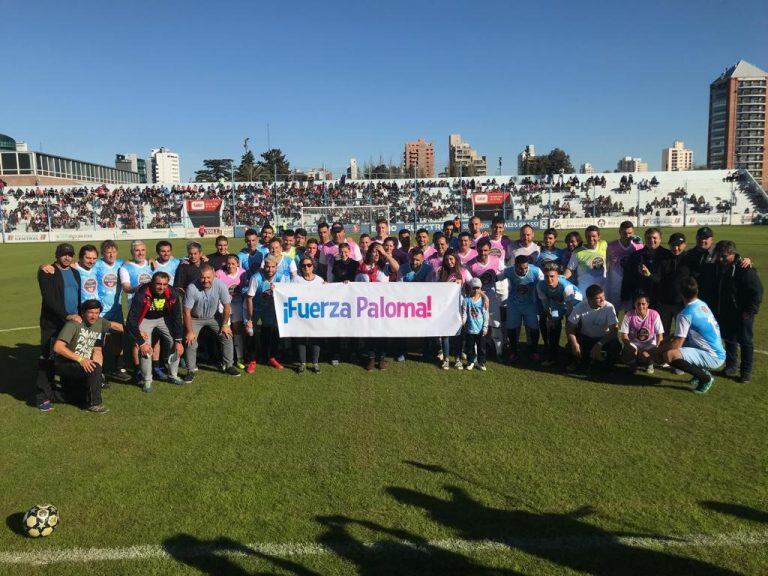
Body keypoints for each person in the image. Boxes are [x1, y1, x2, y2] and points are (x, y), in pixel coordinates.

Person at [700, 241, 763, 383]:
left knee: (745, 341)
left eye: (725, 256)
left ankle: (746, 372)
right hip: (724, 311)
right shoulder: (716, 267)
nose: (721, 259)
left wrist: (750, 311)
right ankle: (731, 366)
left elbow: (757, 291)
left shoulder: (744, 268)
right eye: (719, 256)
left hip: (743, 313)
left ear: (733, 254)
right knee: (729, 340)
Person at [658, 278, 725, 394]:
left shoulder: (685, 314)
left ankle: (705, 378)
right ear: (697, 291)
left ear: (680, 294)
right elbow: (683, 334)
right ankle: (699, 374)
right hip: (718, 352)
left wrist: (657, 350)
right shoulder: (702, 304)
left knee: (669, 355)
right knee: (678, 347)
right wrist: (666, 339)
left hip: (714, 357)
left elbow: (677, 343)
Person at [36, 243, 82, 412]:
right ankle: (43, 396)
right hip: (53, 323)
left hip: (72, 323)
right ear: (57, 255)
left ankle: (66, 392)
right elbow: (49, 300)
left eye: (70, 254)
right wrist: (66, 315)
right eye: (63, 254)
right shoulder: (47, 272)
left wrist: (78, 316)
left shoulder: (75, 273)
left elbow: (78, 297)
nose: (67, 257)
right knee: (47, 358)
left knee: (68, 357)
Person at [125, 271, 185, 391]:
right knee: (146, 348)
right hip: (145, 319)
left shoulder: (172, 293)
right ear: (152, 282)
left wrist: (179, 340)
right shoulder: (142, 293)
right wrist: (141, 342)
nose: (161, 287)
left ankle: (173, 374)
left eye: (164, 284)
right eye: (158, 284)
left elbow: (177, 317)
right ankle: (147, 379)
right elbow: (131, 320)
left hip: (163, 318)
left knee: (175, 343)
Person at [51, 299, 111, 413]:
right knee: (95, 367)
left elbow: (115, 326)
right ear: (83, 313)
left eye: (97, 313)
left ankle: (50, 395)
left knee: (81, 398)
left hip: (79, 366)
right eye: (90, 313)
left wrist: (138, 336)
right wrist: (81, 359)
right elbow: (58, 347)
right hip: (65, 364)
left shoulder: (99, 322)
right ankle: (95, 404)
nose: (94, 316)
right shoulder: (73, 324)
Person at [183, 265, 240, 380]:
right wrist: (189, 331)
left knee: (226, 335)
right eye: (203, 278)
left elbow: (227, 307)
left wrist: (225, 325)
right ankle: (190, 370)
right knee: (191, 341)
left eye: (208, 277)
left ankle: (228, 365)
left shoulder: (220, 285)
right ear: (199, 277)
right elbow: (186, 312)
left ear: (214, 275)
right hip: (195, 318)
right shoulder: (192, 287)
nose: (206, 280)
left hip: (213, 317)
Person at [566, 284, 620, 375]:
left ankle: (608, 367)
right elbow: (570, 328)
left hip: (603, 338)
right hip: (586, 337)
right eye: (598, 298)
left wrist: (599, 344)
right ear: (589, 299)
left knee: (616, 345)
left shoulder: (609, 307)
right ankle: (578, 361)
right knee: (569, 346)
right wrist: (574, 344)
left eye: (603, 296)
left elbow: (614, 331)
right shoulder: (580, 306)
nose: (603, 300)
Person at [536, 263, 582, 366]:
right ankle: (552, 356)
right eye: (546, 276)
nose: (549, 279)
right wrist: (550, 319)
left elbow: (570, 311)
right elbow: (545, 305)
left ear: (558, 276)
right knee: (553, 326)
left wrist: (570, 325)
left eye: (552, 276)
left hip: (574, 302)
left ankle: (574, 358)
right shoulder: (540, 285)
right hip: (558, 302)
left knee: (573, 329)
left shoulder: (566, 287)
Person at [501, 255, 544, 363]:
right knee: (511, 327)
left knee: (533, 326)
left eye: (526, 268)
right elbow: (495, 277)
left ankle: (534, 351)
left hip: (530, 304)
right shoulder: (508, 271)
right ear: (515, 266)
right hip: (513, 304)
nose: (524, 271)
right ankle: (513, 352)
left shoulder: (535, 271)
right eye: (521, 268)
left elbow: (544, 283)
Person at [467, 238, 505, 357]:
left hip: (492, 297)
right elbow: (468, 282)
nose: (483, 253)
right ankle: (475, 354)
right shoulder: (471, 264)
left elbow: (503, 273)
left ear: (489, 250)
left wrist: (498, 279)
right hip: (476, 300)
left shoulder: (496, 260)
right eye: (480, 250)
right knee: (476, 326)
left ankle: (499, 352)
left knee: (495, 325)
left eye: (485, 250)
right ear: (476, 249)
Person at [245, 255, 284, 369]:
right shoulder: (256, 278)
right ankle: (252, 360)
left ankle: (271, 357)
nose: (270, 270)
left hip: (271, 310)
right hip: (256, 309)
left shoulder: (281, 277)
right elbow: (249, 298)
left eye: (273, 267)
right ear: (264, 266)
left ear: (277, 267)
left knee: (271, 332)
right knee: (252, 332)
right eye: (268, 267)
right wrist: (250, 318)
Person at [355, 244, 390, 371]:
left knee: (382, 333)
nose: (376, 254)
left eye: (378, 252)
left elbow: (396, 268)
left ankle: (381, 358)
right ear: (369, 253)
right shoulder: (361, 267)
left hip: (383, 305)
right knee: (370, 333)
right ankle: (371, 358)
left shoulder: (384, 267)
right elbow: (356, 285)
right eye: (374, 252)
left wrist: (385, 254)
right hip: (367, 306)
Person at [437, 250, 472, 369]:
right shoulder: (441, 272)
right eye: (446, 260)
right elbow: (435, 288)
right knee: (445, 334)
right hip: (446, 307)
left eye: (451, 259)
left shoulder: (463, 271)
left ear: (456, 259)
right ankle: (446, 359)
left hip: (459, 307)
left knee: (458, 334)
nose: (449, 262)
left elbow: (474, 284)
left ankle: (457, 359)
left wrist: (482, 296)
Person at [621, 228, 670, 310]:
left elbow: (668, 278)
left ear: (660, 239)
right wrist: (625, 296)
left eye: (654, 238)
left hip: (661, 299)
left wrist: (650, 275)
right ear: (645, 239)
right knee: (639, 322)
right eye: (648, 238)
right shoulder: (636, 256)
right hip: (640, 298)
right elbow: (628, 277)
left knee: (659, 322)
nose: (651, 240)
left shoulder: (667, 255)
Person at [215, 255, 249, 371]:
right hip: (224, 305)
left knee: (238, 330)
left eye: (233, 264)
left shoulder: (243, 273)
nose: (230, 266)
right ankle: (226, 359)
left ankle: (239, 358)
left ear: (238, 264)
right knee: (225, 331)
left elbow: (245, 287)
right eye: (228, 263)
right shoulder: (219, 273)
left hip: (237, 304)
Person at [293, 256, 325, 373]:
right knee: (301, 337)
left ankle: (315, 362)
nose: (306, 267)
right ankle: (302, 363)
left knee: (315, 337)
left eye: (309, 265)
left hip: (315, 315)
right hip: (300, 314)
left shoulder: (320, 280)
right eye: (303, 265)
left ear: (313, 266)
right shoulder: (296, 280)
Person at [619, 294, 665, 374]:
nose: (640, 306)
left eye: (643, 304)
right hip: (634, 343)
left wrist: (658, 347)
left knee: (646, 355)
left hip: (649, 344)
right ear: (634, 304)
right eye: (638, 304)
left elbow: (659, 334)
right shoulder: (629, 315)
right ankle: (633, 363)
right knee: (628, 352)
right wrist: (628, 345)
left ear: (647, 304)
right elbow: (624, 335)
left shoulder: (654, 314)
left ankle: (649, 363)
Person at [657, 232, 690, 334]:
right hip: (664, 304)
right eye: (673, 245)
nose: (676, 248)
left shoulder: (689, 259)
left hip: (682, 304)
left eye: (679, 245)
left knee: (683, 334)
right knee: (662, 333)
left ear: (685, 245)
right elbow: (658, 278)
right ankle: (662, 350)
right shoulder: (663, 259)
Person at [605, 221, 642, 309]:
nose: (627, 236)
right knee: (612, 310)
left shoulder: (638, 246)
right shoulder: (611, 246)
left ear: (633, 233)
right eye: (624, 233)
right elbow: (605, 263)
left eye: (630, 233)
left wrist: (642, 245)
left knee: (629, 312)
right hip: (614, 284)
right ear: (619, 232)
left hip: (630, 283)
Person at [565, 226, 608, 292]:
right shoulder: (578, 252)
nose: (591, 238)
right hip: (585, 289)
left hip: (602, 288)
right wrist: (560, 280)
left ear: (599, 237)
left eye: (594, 236)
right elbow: (570, 270)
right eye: (588, 236)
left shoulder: (603, 244)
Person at [462, 278, 489, 371]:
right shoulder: (466, 300)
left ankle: (481, 362)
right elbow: (464, 313)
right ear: (470, 288)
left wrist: (485, 328)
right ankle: (471, 361)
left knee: (482, 347)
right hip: (470, 328)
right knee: (470, 347)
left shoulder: (483, 301)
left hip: (480, 329)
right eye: (474, 288)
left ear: (480, 288)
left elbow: (486, 315)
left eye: (478, 288)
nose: (476, 290)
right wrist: (463, 322)